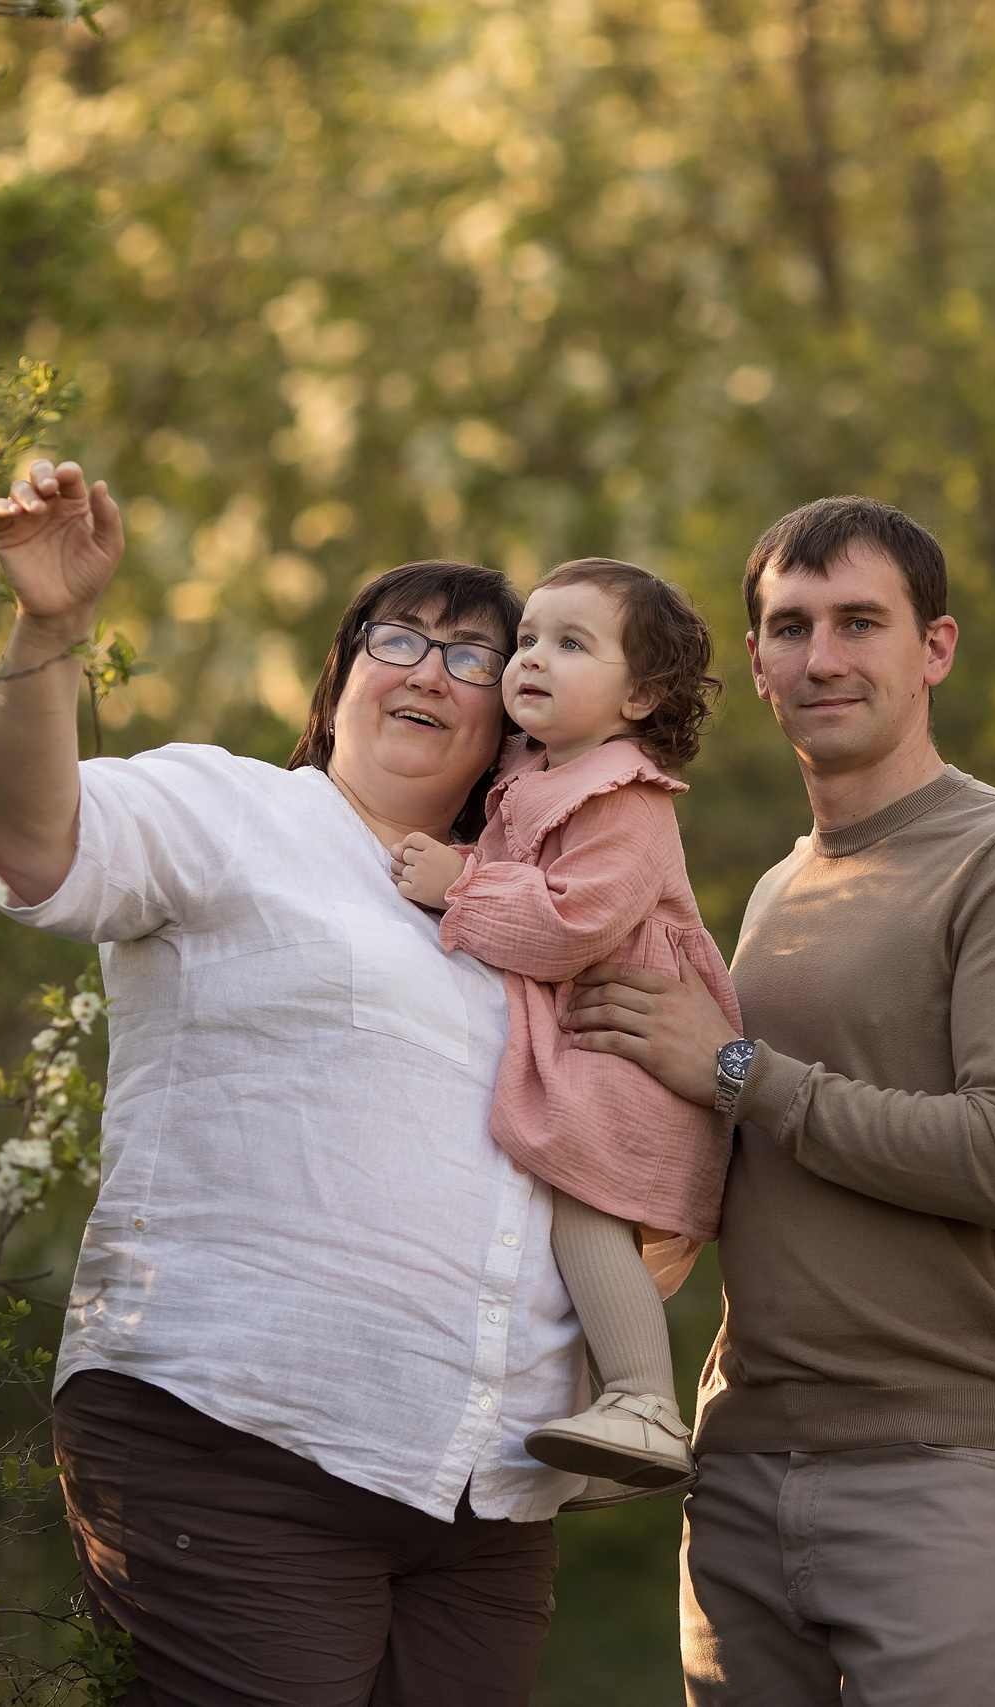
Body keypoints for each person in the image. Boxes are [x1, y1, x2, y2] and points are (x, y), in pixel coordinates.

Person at [0, 459, 586, 1706]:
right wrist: (48, 630)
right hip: (236, 1436)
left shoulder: (531, 923)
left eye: (473, 659)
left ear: (513, 725)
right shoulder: (233, 811)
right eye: (397, 637)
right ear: (342, 677)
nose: (426, 670)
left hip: (484, 1491)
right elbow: (31, 844)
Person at [563, 496, 995, 1704]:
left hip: (942, 1457)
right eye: (790, 626)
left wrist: (736, 1072)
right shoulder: (774, 892)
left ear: (936, 649)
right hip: (743, 1460)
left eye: (860, 622)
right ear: (754, 663)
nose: (823, 657)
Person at [389, 558, 741, 1493]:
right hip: (583, 1039)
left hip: (628, 1043)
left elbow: (571, 923)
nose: (532, 659)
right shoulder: (530, 770)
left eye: (571, 644)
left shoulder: (627, 799)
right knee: (556, 1219)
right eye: (530, 639)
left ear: (643, 694)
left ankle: (644, 1400)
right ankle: (601, 1420)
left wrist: (458, 882)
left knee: (588, 1210)